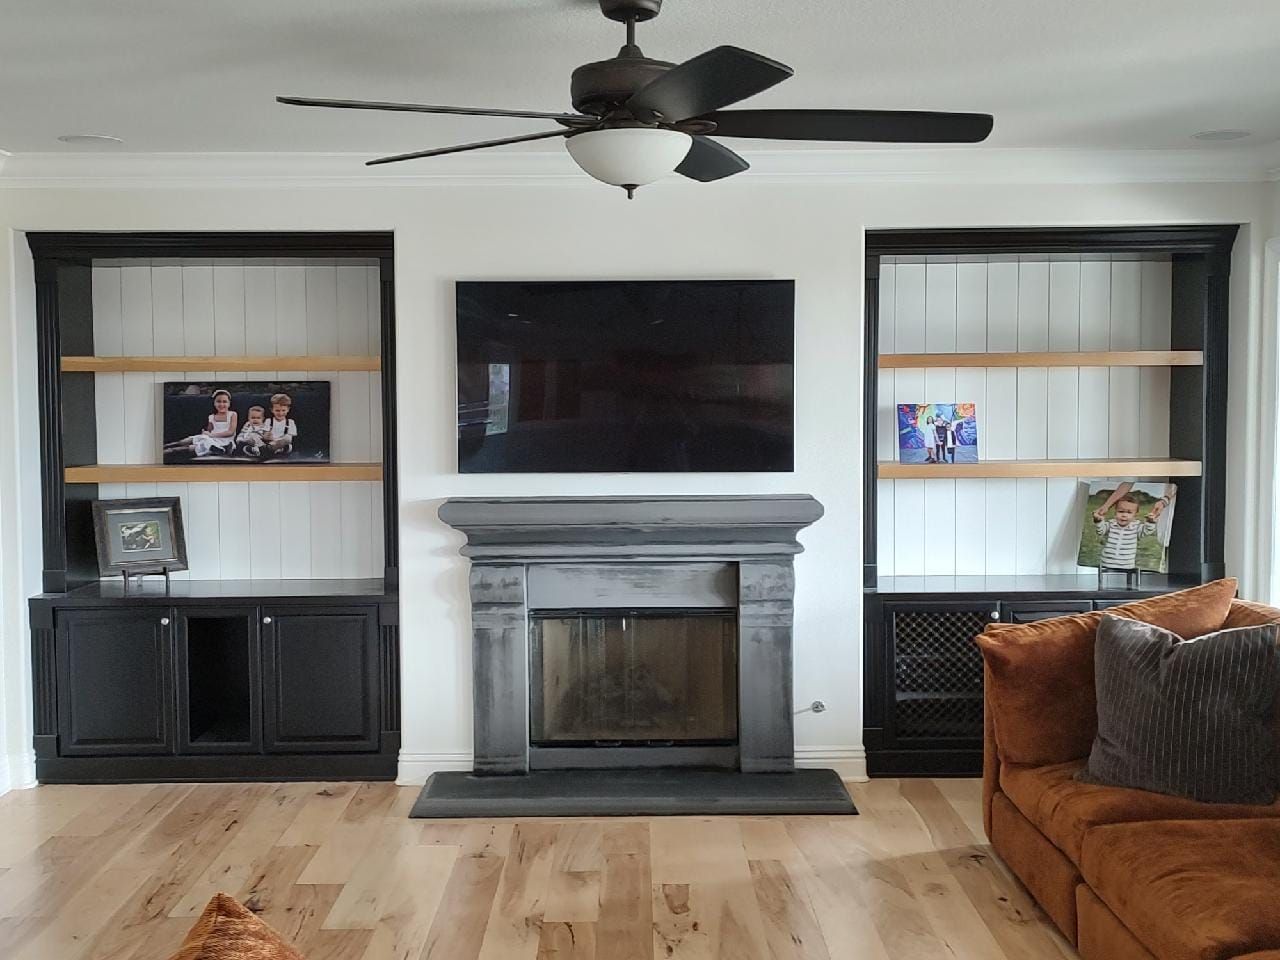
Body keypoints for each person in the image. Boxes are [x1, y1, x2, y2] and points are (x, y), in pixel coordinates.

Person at [1093, 492, 1158, 570]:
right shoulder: (1111, 524)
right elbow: (1100, 531)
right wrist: (1098, 521)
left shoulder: (1136, 527)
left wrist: (1150, 522)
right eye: (1121, 511)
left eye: (1129, 512)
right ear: (1115, 512)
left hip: (1126, 567)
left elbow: (1147, 531)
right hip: (1106, 564)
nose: (1124, 515)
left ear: (1135, 515)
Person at [164, 388, 237, 458]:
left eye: (224, 402)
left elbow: (230, 432)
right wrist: (206, 432)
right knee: (194, 438)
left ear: (229, 404)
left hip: (224, 442)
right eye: (218, 401)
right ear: (214, 403)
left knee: (198, 446)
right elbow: (210, 430)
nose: (221, 404)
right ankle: (167, 446)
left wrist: (211, 435)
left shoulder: (232, 414)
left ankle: (171, 451)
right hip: (212, 438)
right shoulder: (211, 417)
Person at [263, 393, 297, 457]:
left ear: (288, 410)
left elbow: (290, 437)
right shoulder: (268, 421)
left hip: (283, 443)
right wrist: (267, 436)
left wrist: (279, 441)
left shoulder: (290, 422)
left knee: (287, 439)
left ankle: (277, 449)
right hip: (271, 442)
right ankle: (271, 449)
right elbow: (264, 435)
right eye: (277, 410)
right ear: (272, 410)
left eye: (283, 410)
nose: (280, 413)